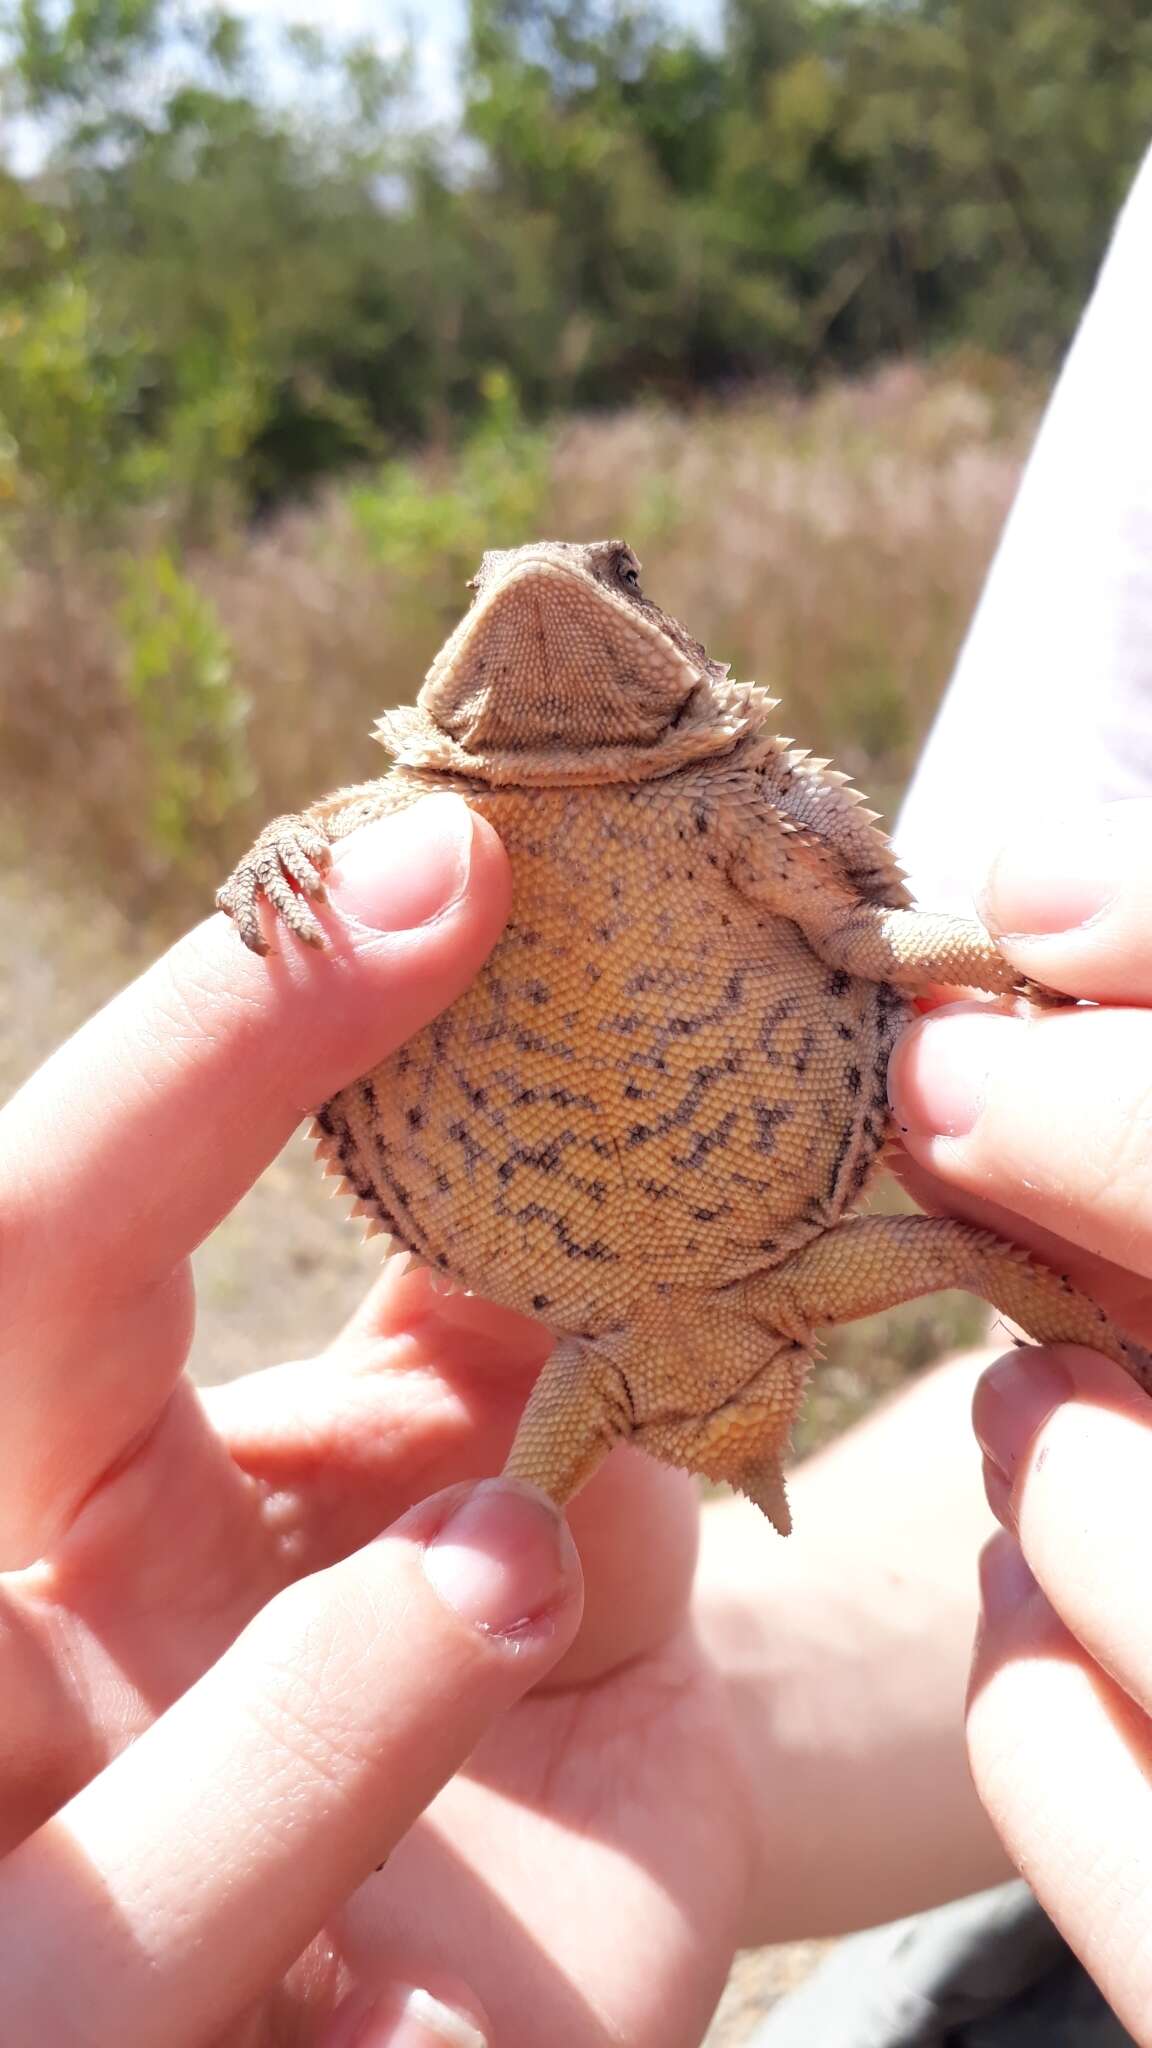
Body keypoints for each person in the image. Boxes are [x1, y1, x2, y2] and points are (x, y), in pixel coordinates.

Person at [3, 156, 1152, 2048]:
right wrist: (563, 1722)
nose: (539, 594)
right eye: (488, 592)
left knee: (968, 1246)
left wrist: (1022, 981)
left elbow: (886, 949)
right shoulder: (409, 833)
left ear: (669, 641)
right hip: (613, 1347)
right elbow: (884, 969)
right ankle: (390, 1747)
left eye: (604, 578)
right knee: (510, 1551)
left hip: (662, 1326)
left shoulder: (726, 791)